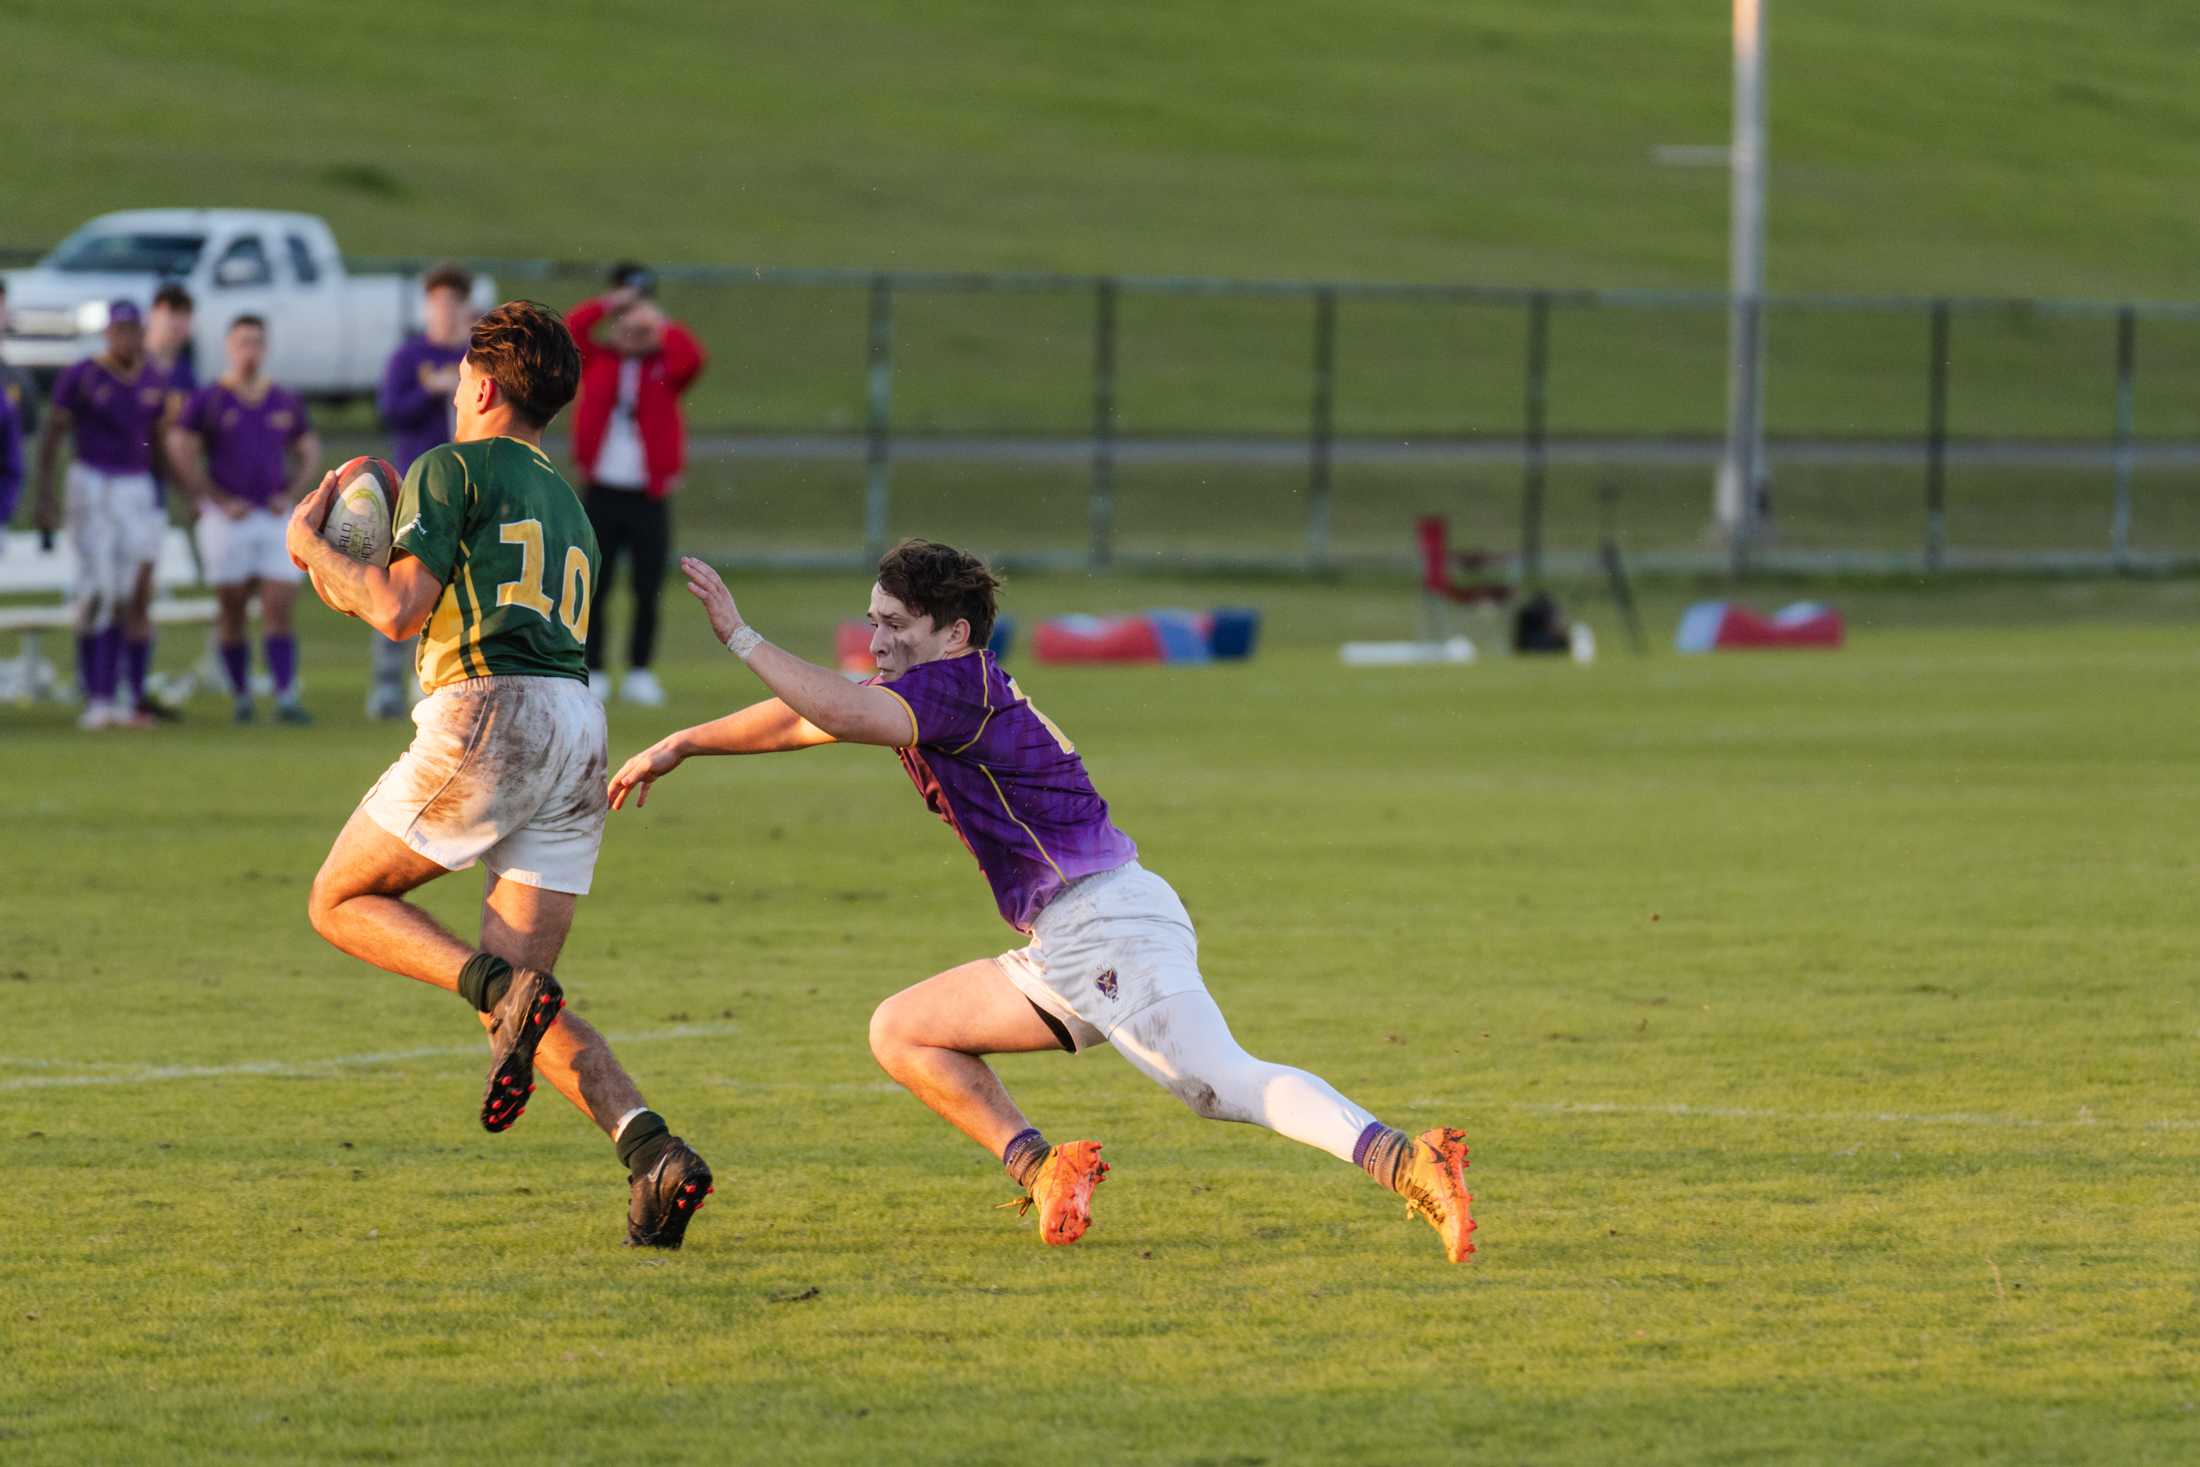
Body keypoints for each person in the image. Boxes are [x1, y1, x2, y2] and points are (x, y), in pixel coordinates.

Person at [608, 540, 1475, 1261]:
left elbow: (838, 713)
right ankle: (1044, 1167)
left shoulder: (952, 689)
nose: (874, 639)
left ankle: (1404, 1156)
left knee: (1219, 1084)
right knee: (902, 1028)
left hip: (1103, 924)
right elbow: (812, 717)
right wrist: (684, 741)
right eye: (870, 619)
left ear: (951, 633)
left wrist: (740, 634)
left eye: (893, 625)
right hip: (1076, 931)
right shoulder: (942, 684)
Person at [285, 300, 713, 1249]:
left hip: (491, 714)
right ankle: (654, 1153)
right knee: (522, 1002)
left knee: (338, 901)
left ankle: (491, 984)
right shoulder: (569, 500)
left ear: (478, 385)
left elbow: (398, 612)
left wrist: (312, 549)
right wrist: (343, 577)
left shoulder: (450, 466)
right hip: (578, 722)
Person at [31, 301, 189, 730]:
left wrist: (181, 494)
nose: (125, 338)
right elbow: (53, 435)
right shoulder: (83, 375)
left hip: (135, 487)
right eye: (117, 330)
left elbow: (157, 443)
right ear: (107, 334)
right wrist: (45, 495)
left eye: (131, 330)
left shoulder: (153, 379)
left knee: (131, 593)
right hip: (92, 482)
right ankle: (97, 694)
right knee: (98, 589)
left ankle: (129, 696)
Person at [165, 314, 321, 722]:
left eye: (255, 342)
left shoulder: (283, 400)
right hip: (227, 518)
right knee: (231, 607)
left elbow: (308, 448)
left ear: (265, 348)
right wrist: (209, 496)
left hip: (272, 517)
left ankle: (285, 695)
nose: (248, 350)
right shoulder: (211, 399)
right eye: (241, 343)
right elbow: (179, 445)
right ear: (229, 348)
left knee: (278, 603)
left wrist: (291, 494)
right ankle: (241, 696)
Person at [566, 263, 705, 707]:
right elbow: (570, 331)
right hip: (602, 490)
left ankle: (641, 669)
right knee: (595, 583)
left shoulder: (663, 365)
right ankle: (596, 666)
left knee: (647, 585)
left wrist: (659, 323)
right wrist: (611, 304)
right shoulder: (599, 360)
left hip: (648, 494)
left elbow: (693, 359)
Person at [367, 263, 475, 719]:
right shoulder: (411, 357)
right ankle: (387, 684)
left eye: (456, 303)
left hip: (466, 488)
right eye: (440, 303)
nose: (447, 312)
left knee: (458, 585)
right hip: (417, 486)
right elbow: (391, 410)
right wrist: (430, 391)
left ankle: (441, 680)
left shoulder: (475, 356)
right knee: (402, 578)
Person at [121, 282, 198, 718]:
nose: (174, 323)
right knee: (118, 593)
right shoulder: (132, 363)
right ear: (153, 316)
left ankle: (134, 690)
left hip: (151, 495)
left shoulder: (184, 372)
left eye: (182, 315)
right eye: (168, 313)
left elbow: (179, 437)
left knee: (140, 593)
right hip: (116, 488)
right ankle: (107, 688)